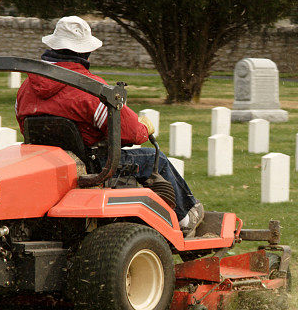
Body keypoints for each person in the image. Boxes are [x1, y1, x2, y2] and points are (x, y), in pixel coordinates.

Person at [15, 16, 204, 236]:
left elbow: (24, 125)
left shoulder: (26, 87)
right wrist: (143, 128)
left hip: (48, 163)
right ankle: (185, 218)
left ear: (53, 47)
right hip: (93, 165)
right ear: (84, 52)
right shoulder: (90, 89)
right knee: (156, 159)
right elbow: (129, 133)